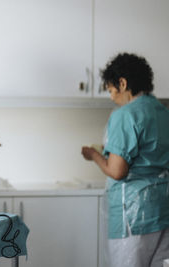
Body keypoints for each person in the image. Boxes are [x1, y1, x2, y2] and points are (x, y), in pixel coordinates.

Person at [81, 53, 169, 267]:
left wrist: (94, 155)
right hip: (163, 210)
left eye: (111, 90)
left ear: (123, 83)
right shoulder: (163, 112)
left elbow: (117, 170)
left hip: (133, 215)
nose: (111, 97)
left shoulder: (125, 114)